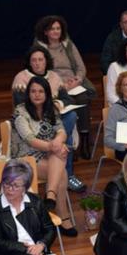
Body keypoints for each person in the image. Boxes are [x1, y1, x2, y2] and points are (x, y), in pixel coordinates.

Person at [11, 46, 85, 193]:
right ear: (29, 62)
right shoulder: (21, 78)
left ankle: (58, 147)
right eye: (34, 60)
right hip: (34, 123)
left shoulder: (54, 77)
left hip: (53, 118)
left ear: (46, 61)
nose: (38, 63)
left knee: (69, 119)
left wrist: (56, 104)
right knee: (64, 138)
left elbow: (66, 99)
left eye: (41, 59)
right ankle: (68, 174)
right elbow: (23, 105)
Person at [11, 77, 77, 236]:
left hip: (47, 155)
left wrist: (57, 141)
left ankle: (50, 196)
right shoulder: (20, 112)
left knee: (59, 158)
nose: (37, 94)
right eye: (33, 91)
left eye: (41, 91)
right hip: (25, 159)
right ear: (28, 94)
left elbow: (61, 130)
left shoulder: (51, 110)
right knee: (62, 172)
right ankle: (63, 216)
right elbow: (29, 139)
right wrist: (53, 146)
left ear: (47, 94)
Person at [33, 15, 96, 158]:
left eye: (58, 28)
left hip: (73, 83)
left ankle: (85, 141)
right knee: (69, 103)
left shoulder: (68, 44)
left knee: (83, 99)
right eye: (52, 29)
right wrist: (62, 86)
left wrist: (78, 80)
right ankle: (69, 143)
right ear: (45, 32)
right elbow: (41, 72)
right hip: (55, 85)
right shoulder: (40, 49)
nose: (56, 32)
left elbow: (81, 67)